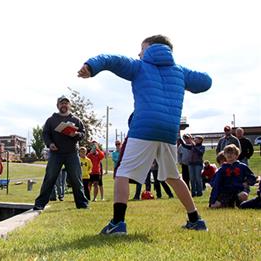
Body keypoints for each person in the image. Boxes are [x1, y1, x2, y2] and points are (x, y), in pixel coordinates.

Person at [79, 34, 212, 234]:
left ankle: (117, 223)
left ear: (150, 49)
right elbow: (205, 82)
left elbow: (111, 60)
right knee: (173, 176)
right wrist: (179, 74)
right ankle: (196, 219)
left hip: (144, 126)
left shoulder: (140, 66)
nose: (138, 53)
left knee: (122, 173)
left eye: (141, 49)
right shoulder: (180, 72)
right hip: (169, 131)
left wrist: (91, 66)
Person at [33, 95, 89, 210]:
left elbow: (83, 134)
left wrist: (76, 134)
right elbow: (45, 134)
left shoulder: (76, 120)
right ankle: (40, 204)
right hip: (56, 154)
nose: (64, 105)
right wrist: (50, 144)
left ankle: (82, 204)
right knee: (50, 178)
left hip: (72, 153)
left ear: (69, 105)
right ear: (57, 105)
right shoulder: (51, 120)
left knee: (76, 179)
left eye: (66, 103)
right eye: (61, 103)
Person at [209, 144, 256, 208]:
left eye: (231, 153)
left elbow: (252, 178)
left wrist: (247, 182)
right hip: (226, 192)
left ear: (236, 155)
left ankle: (240, 203)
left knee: (243, 195)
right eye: (227, 153)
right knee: (215, 206)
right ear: (224, 155)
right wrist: (212, 201)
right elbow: (216, 184)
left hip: (239, 190)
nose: (229, 155)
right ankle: (228, 203)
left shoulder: (242, 166)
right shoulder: (222, 169)